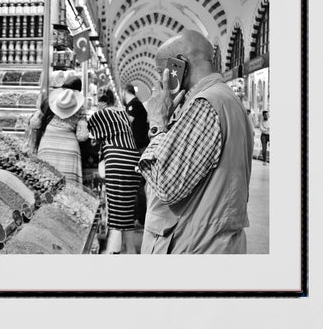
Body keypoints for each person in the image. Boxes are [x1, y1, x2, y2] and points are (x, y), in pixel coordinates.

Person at [139, 30, 254, 254]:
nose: (160, 81)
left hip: (197, 246)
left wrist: (157, 123)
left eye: (161, 72)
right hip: (213, 243)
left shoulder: (206, 104)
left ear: (178, 65)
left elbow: (166, 185)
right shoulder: (226, 99)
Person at [88, 89, 141, 254]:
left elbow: (88, 134)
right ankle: (131, 250)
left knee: (116, 210)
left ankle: (113, 250)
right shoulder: (123, 114)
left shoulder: (101, 115)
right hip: (133, 159)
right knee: (126, 209)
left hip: (117, 161)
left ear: (102, 103)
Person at [29, 77, 89, 185]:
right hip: (69, 151)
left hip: (47, 146)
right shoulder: (80, 109)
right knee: (68, 187)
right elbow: (82, 136)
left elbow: (34, 124)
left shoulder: (49, 102)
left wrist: (38, 110)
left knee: (45, 183)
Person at [121, 82, 150, 227]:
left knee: (137, 185)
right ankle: (139, 217)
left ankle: (141, 218)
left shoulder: (134, 104)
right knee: (138, 184)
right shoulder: (135, 103)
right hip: (140, 147)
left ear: (125, 92)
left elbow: (126, 123)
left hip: (139, 149)